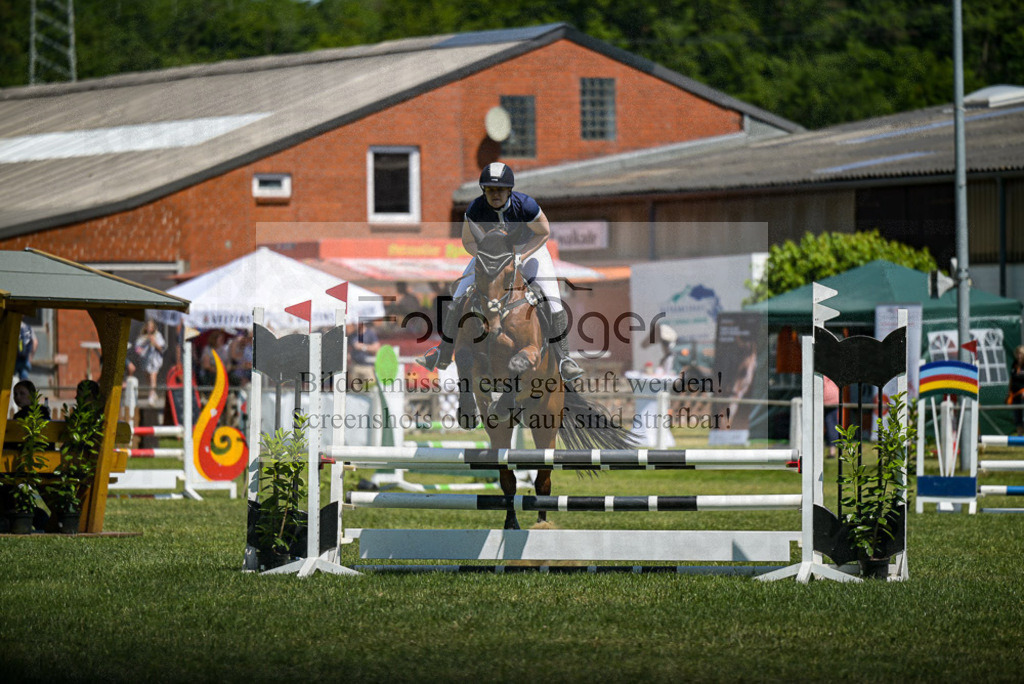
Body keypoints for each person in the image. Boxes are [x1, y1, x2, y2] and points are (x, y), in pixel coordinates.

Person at [416, 163, 584, 381]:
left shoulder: (526, 205)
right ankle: (442, 352)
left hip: (529, 250)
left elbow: (543, 232)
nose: (495, 194)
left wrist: (521, 256)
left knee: (552, 299)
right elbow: (468, 241)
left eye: (500, 190)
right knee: (458, 296)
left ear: (509, 191)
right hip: (491, 256)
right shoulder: (475, 209)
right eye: (490, 190)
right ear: (484, 191)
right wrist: (486, 257)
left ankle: (564, 360)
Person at [134, 320, 166, 405]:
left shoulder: (158, 335)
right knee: (148, 377)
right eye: (148, 326)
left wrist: (154, 342)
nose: (150, 328)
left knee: (153, 376)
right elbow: (137, 348)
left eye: (151, 327)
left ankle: (151, 396)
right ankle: (153, 393)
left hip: (155, 360)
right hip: (145, 360)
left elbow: (162, 348)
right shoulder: (143, 337)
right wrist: (144, 344)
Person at [348, 319, 380, 390]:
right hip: (355, 365)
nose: (356, 325)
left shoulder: (370, 334)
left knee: (371, 389)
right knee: (356, 390)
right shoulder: (352, 335)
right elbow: (348, 349)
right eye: (355, 324)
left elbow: (376, 347)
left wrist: (363, 347)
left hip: (367, 366)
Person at [1008, 345, 1024, 436]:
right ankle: (1020, 438)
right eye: (1018, 354)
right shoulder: (1014, 364)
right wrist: (1009, 392)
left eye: (1021, 354)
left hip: (1023, 394)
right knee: (1017, 416)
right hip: (1015, 395)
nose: (1019, 356)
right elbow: (1012, 379)